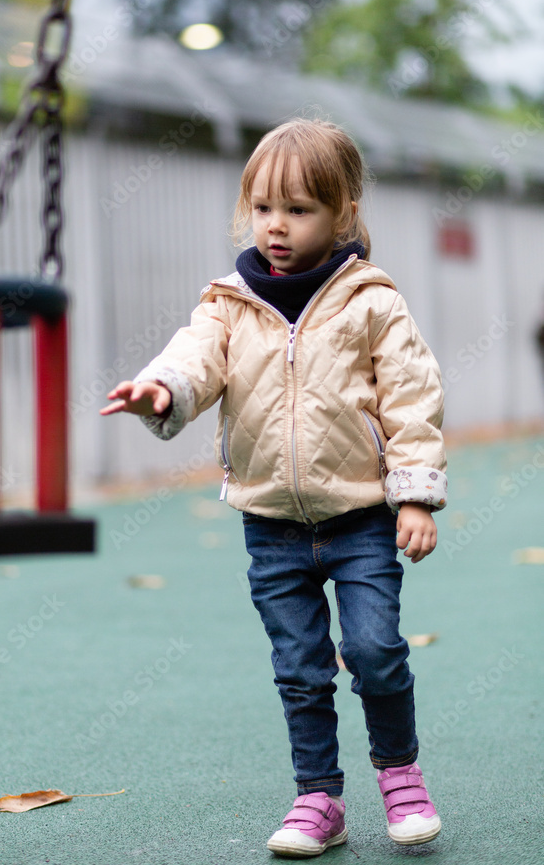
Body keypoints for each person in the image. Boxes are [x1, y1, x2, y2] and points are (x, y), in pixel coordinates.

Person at [101, 118, 447, 858]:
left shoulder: (370, 302)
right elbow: (194, 358)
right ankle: (318, 799)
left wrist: (413, 493)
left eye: (297, 209)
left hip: (358, 518)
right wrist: (162, 390)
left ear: (342, 214)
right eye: (263, 208)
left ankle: (399, 773)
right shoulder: (228, 303)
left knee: (375, 649)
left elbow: (411, 398)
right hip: (271, 524)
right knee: (298, 668)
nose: (276, 226)